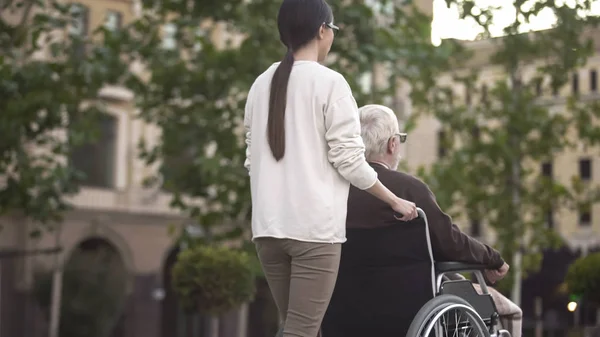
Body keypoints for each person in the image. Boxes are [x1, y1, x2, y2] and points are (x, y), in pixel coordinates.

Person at [242, 2, 418, 337]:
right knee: (302, 331)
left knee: (299, 328)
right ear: (323, 30)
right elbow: (350, 160)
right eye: (333, 30)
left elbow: (253, 159)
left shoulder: (259, 84)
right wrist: (394, 200)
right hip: (313, 234)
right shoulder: (331, 83)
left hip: (267, 231)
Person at [327, 104, 522, 337]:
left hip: (341, 317)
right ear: (392, 144)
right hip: (407, 315)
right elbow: (450, 243)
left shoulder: (331, 193)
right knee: (510, 312)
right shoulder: (410, 190)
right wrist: (493, 258)